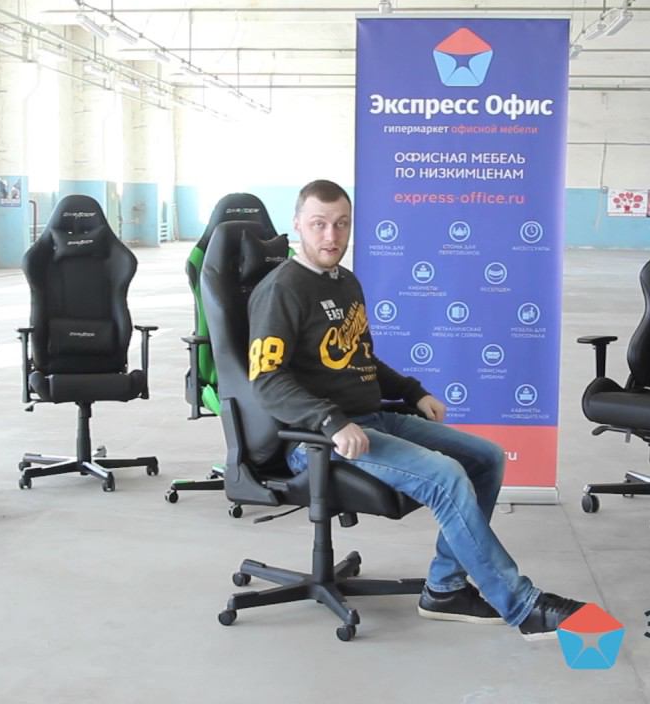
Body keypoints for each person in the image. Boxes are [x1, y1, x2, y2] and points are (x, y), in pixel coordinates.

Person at [247, 179, 585, 642]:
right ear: (297, 225)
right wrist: (330, 420)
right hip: (320, 440)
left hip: (371, 419)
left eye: (342, 224)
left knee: (485, 458)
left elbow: (362, 358)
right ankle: (522, 604)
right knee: (446, 477)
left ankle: (445, 589)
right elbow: (266, 379)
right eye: (319, 224)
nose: (331, 236)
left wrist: (412, 392)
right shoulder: (282, 289)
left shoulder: (345, 281)